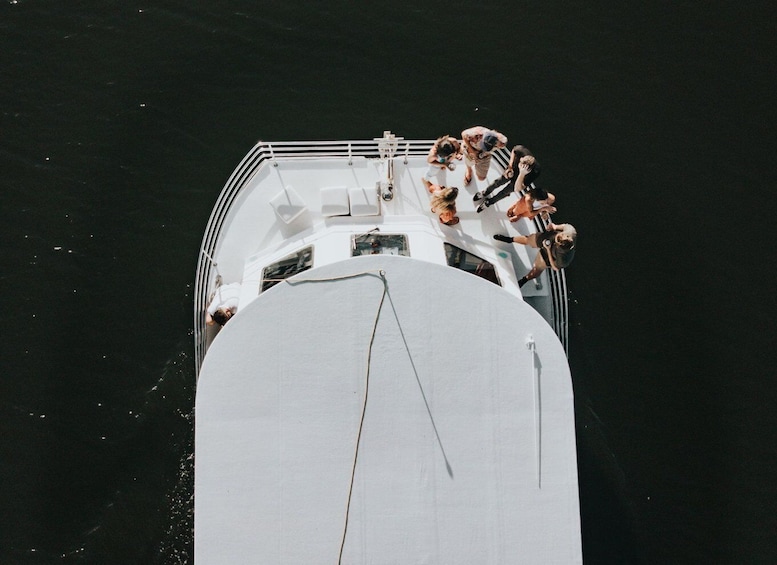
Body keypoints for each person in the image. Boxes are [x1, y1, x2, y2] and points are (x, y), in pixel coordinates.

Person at [493, 223, 577, 287]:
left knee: (537, 269)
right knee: (528, 239)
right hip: (548, 238)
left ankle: (524, 280)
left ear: (560, 246)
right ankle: (510, 239)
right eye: (560, 235)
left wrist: (548, 250)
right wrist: (555, 227)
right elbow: (566, 226)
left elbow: (555, 267)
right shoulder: (571, 232)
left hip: (549, 255)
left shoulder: (564, 259)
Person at [473, 144, 541, 212]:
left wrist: (522, 173)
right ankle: (485, 192)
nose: (519, 165)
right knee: (497, 182)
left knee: (504, 192)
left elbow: (518, 188)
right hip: (511, 171)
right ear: (521, 158)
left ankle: (489, 202)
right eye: (520, 163)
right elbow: (514, 150)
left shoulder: (535, 172)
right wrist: (510, 166)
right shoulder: (521, 150)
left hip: (519, 181)